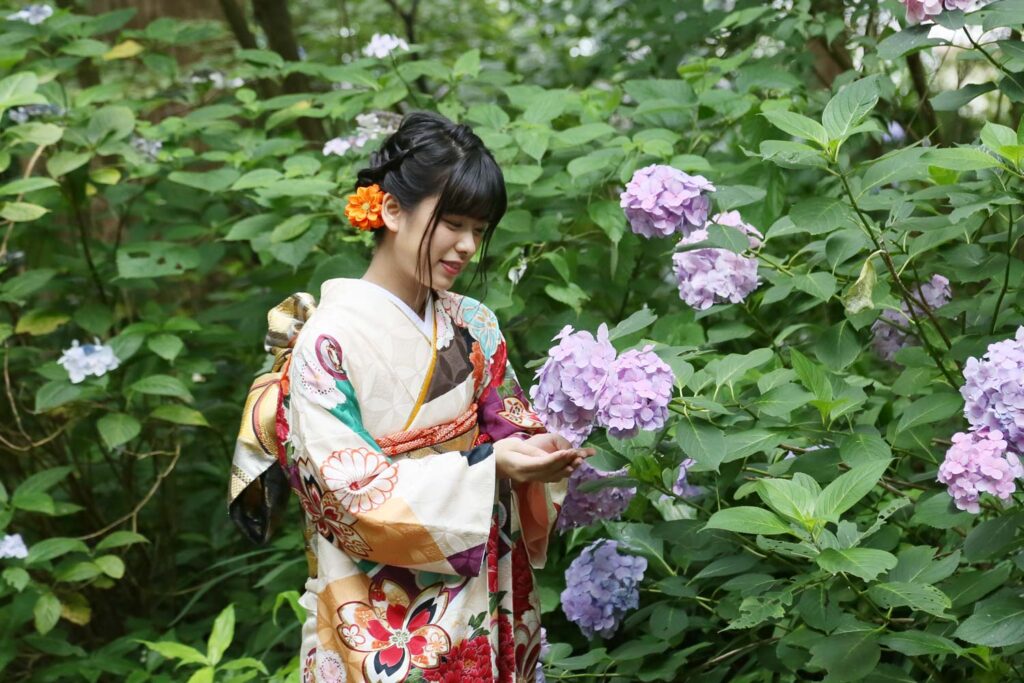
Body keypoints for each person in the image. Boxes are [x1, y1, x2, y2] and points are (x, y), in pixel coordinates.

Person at [227, 111, 593, 682]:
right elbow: (343, 491)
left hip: (480, 586)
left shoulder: (473, 322)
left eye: (479, 228)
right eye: (452, 223)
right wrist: (486, 467)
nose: (468, 245)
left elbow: (506, 421)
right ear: (392, 210)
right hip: (373, 602)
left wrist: (532, 451)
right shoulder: (326, 341)